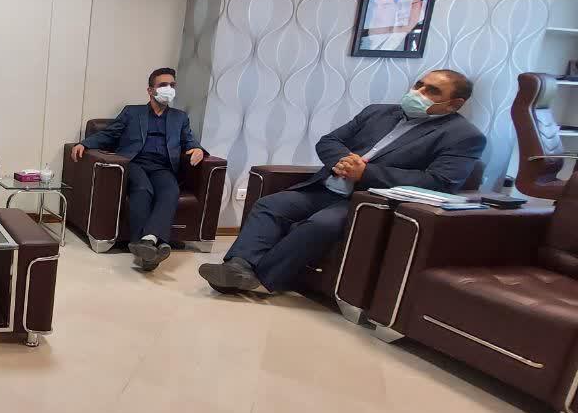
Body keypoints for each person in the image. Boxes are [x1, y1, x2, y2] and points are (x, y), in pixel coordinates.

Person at [199, 69, 485, 294]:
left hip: (367, 201)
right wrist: (343, 160)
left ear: (455, 104)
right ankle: (238, 266)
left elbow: (440, 182)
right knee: (270, 205)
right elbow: (330, 141)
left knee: (321, 224)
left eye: (432, 91)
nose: (418, 93)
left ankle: (262, 279)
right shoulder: (378, 112)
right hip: (327, 188)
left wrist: (365, 174)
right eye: (419, 85)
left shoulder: (464, 136)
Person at [70, 67, 205, 271]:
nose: (169, 89)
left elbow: (189, 140)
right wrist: (85, 143)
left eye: (172, 85)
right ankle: (155, 243)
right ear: (150, 90)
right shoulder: (132, 112)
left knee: (170, 191)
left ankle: (147, 242)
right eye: (163, 85)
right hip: (134, 162)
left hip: (163, 167)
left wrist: (197, 149)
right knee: (142, 189)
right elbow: (110, 134)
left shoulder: (180, 117)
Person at [358, 0, 430, 52]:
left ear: (423, 6)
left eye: (386, 5)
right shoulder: (364, 37)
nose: (377, 11)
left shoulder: (420, 35)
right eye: (375, 5)